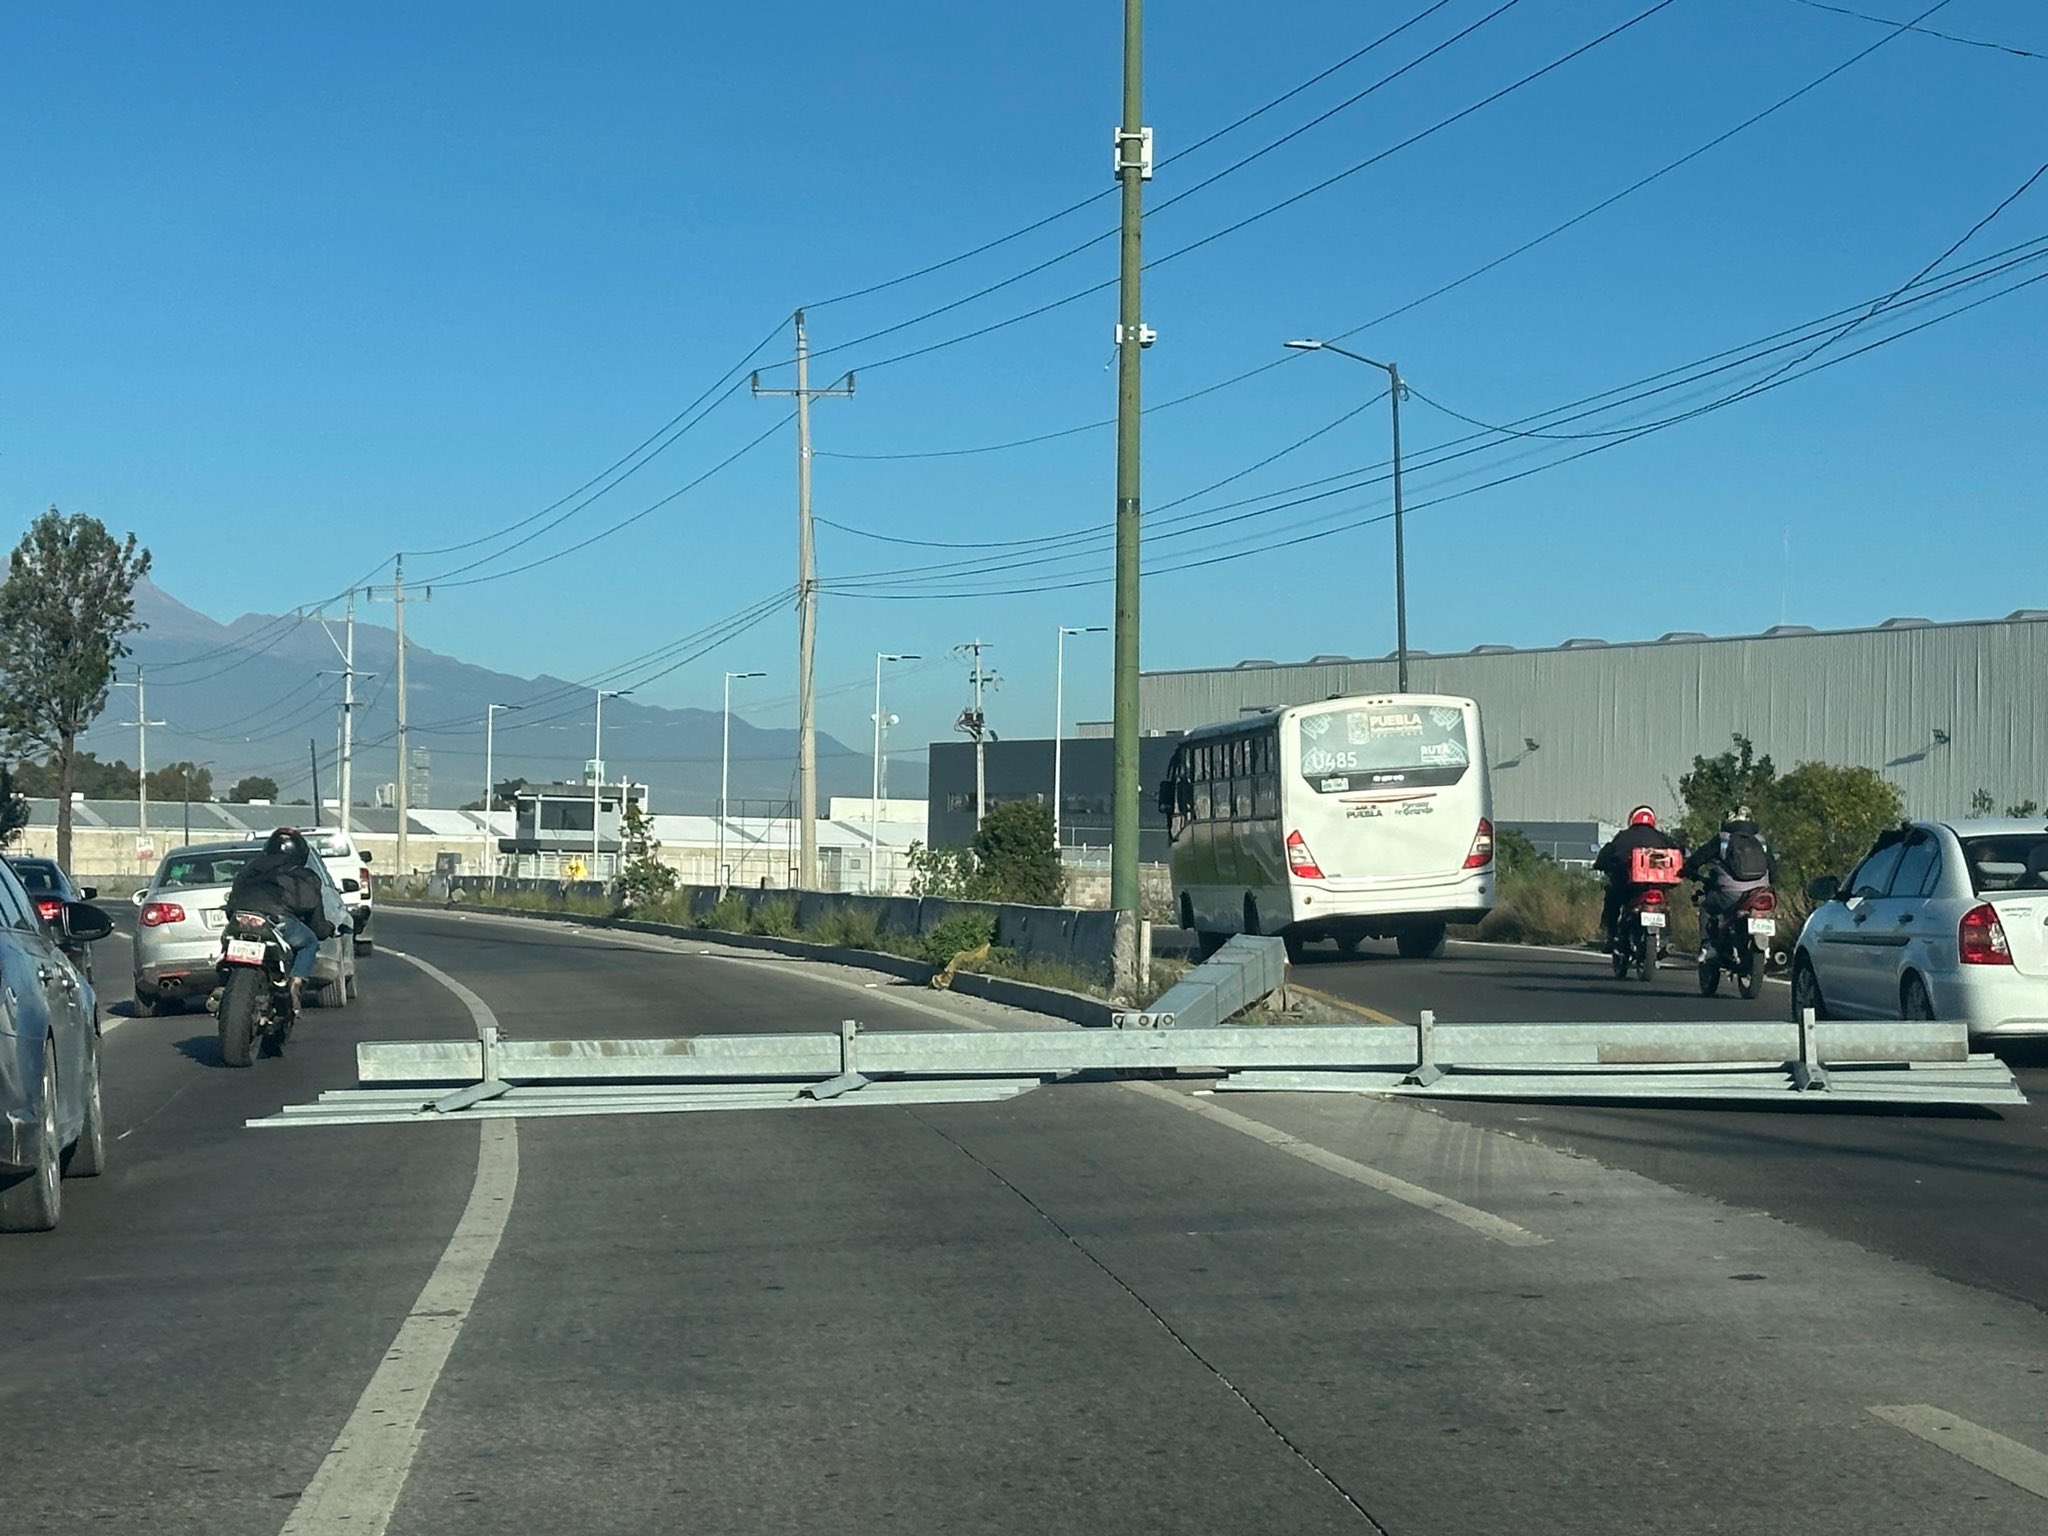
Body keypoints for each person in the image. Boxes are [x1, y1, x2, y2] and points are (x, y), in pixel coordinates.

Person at [224, 828, 334, 1012]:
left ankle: (223, 979)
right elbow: (317, 925)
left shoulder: (250, 868)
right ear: (301, 852)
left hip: (240, 917)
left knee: (227, 943)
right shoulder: (304, 875)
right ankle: (296, 981)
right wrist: (327, 929)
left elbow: (234, 897)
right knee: (309, 943)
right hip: (277, 920)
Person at [1593, 806, 1686, 948]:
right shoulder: (1662, 837)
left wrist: (1601, 864)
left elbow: (1606, 855)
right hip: (1659, 885)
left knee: (1612, 896)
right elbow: (1680, 852)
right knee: (1666, 905)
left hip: (1629, 886)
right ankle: (1666, 937)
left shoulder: (1623, 836)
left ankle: (1610, 934)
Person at [1685, 805, 1776, 947]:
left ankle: (1707, 947)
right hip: (1759, 894)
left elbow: (1698, 859)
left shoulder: (1722, 839)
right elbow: (1774, 869)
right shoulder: (1761, 841)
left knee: (1706, 907)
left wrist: (1687, 869)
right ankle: (1766, 951)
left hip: (1730, 895)